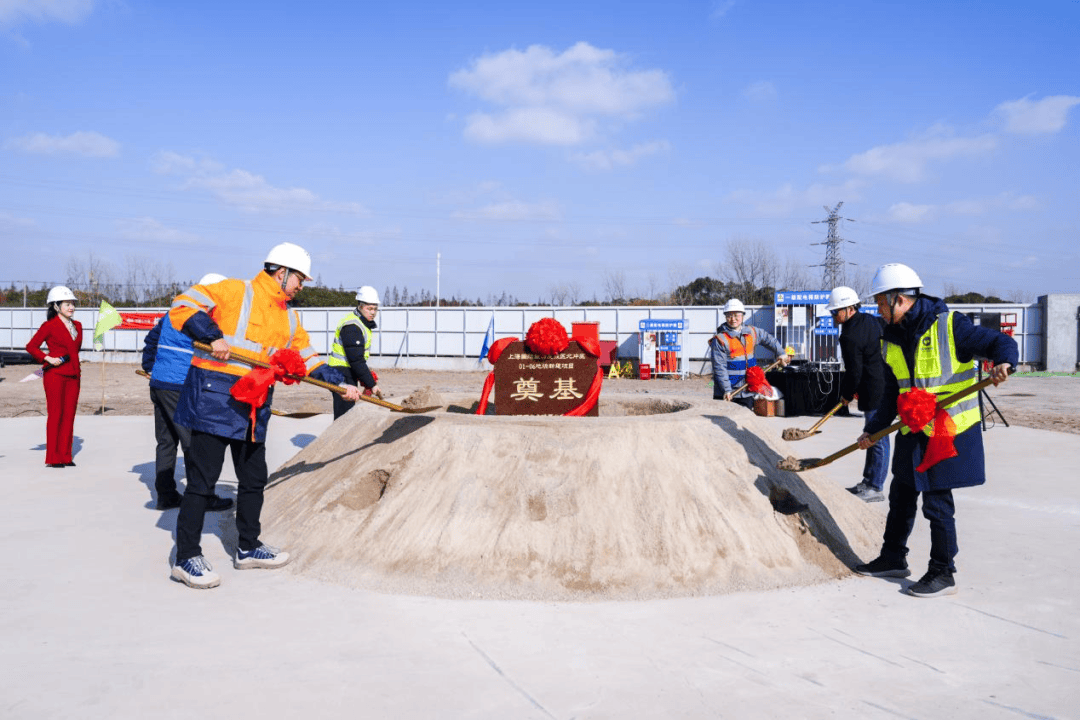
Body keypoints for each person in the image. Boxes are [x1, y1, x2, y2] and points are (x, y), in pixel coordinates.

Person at [167, 243, 362, 589]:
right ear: (281, 272)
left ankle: (248, 547)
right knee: (202, 481)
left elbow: (308, 358)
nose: (301, 286)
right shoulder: (234, 291)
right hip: (215, 399)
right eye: (299, 279)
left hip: (254, 405)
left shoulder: (289, 316)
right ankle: (186, 557)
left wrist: (339, 384)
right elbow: (182, 306)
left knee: (254, 478)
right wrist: (211, 335)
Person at [854, 263, 1017, 598]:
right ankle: (893, 557)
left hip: (946, 430)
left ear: (900, 300)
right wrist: (874, 430)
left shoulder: (950, 325)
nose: (878, 310)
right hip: (912, 429)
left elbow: (997, 342)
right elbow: (892, 393)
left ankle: (943, 572)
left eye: (882, 304)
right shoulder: (890, 339)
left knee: (937, 501)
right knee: (901, 494)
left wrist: (1004, 362)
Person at [141, 273, 234, 512]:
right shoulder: (202, 318)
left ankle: (166, 496)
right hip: (180, 386)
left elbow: (151, 341)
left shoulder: (174, 313)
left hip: (160, 383)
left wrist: (150, 368)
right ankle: (203, 497)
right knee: (195, 443)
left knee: (166, 442)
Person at [828, 285, 890, 503]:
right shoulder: (872, 321)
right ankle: (868, 481)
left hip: (873, 388)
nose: (833, 315)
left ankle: (875, 487)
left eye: (835, 311)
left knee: (877, 438)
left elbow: (854, 371)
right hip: (883, 383)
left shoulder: (849, 335)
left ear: (849, 309)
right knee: (872, 435)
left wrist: (845, 396)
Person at [25, 286, 83, 468]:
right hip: (55, 375)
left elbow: (74, 350)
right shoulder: (49, 326)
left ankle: (65, 455)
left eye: (72, 304)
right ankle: (53, 457)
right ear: (56, 306)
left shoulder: (78, 326)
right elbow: (31, 346)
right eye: (67, 304)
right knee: (56, 415)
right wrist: (47, 358)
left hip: (74, 375)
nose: (71, 307)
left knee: (69, 416)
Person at [710, 298, 789, 410]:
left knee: (746, 417)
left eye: (736, 315)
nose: (733, 319)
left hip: (747, 390)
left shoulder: (751, 332)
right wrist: (726, 389)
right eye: (729, 316)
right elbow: (719, 368)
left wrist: (780, 352)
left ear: (742, 315)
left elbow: (768, 339)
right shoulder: (720, 340)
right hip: (728, 393)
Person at [327, 285, 383, 419]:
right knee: (344, 416)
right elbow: (356, 360)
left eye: (375, 309)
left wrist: (365, 376)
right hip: (340, 374)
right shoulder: (352, 326)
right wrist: (371, 384)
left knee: (347, 413)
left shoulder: (360, 323)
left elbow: (357, 359)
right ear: (360, 306)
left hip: (346, 372)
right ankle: (339, 433)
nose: (373, 312)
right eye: (369, 308)